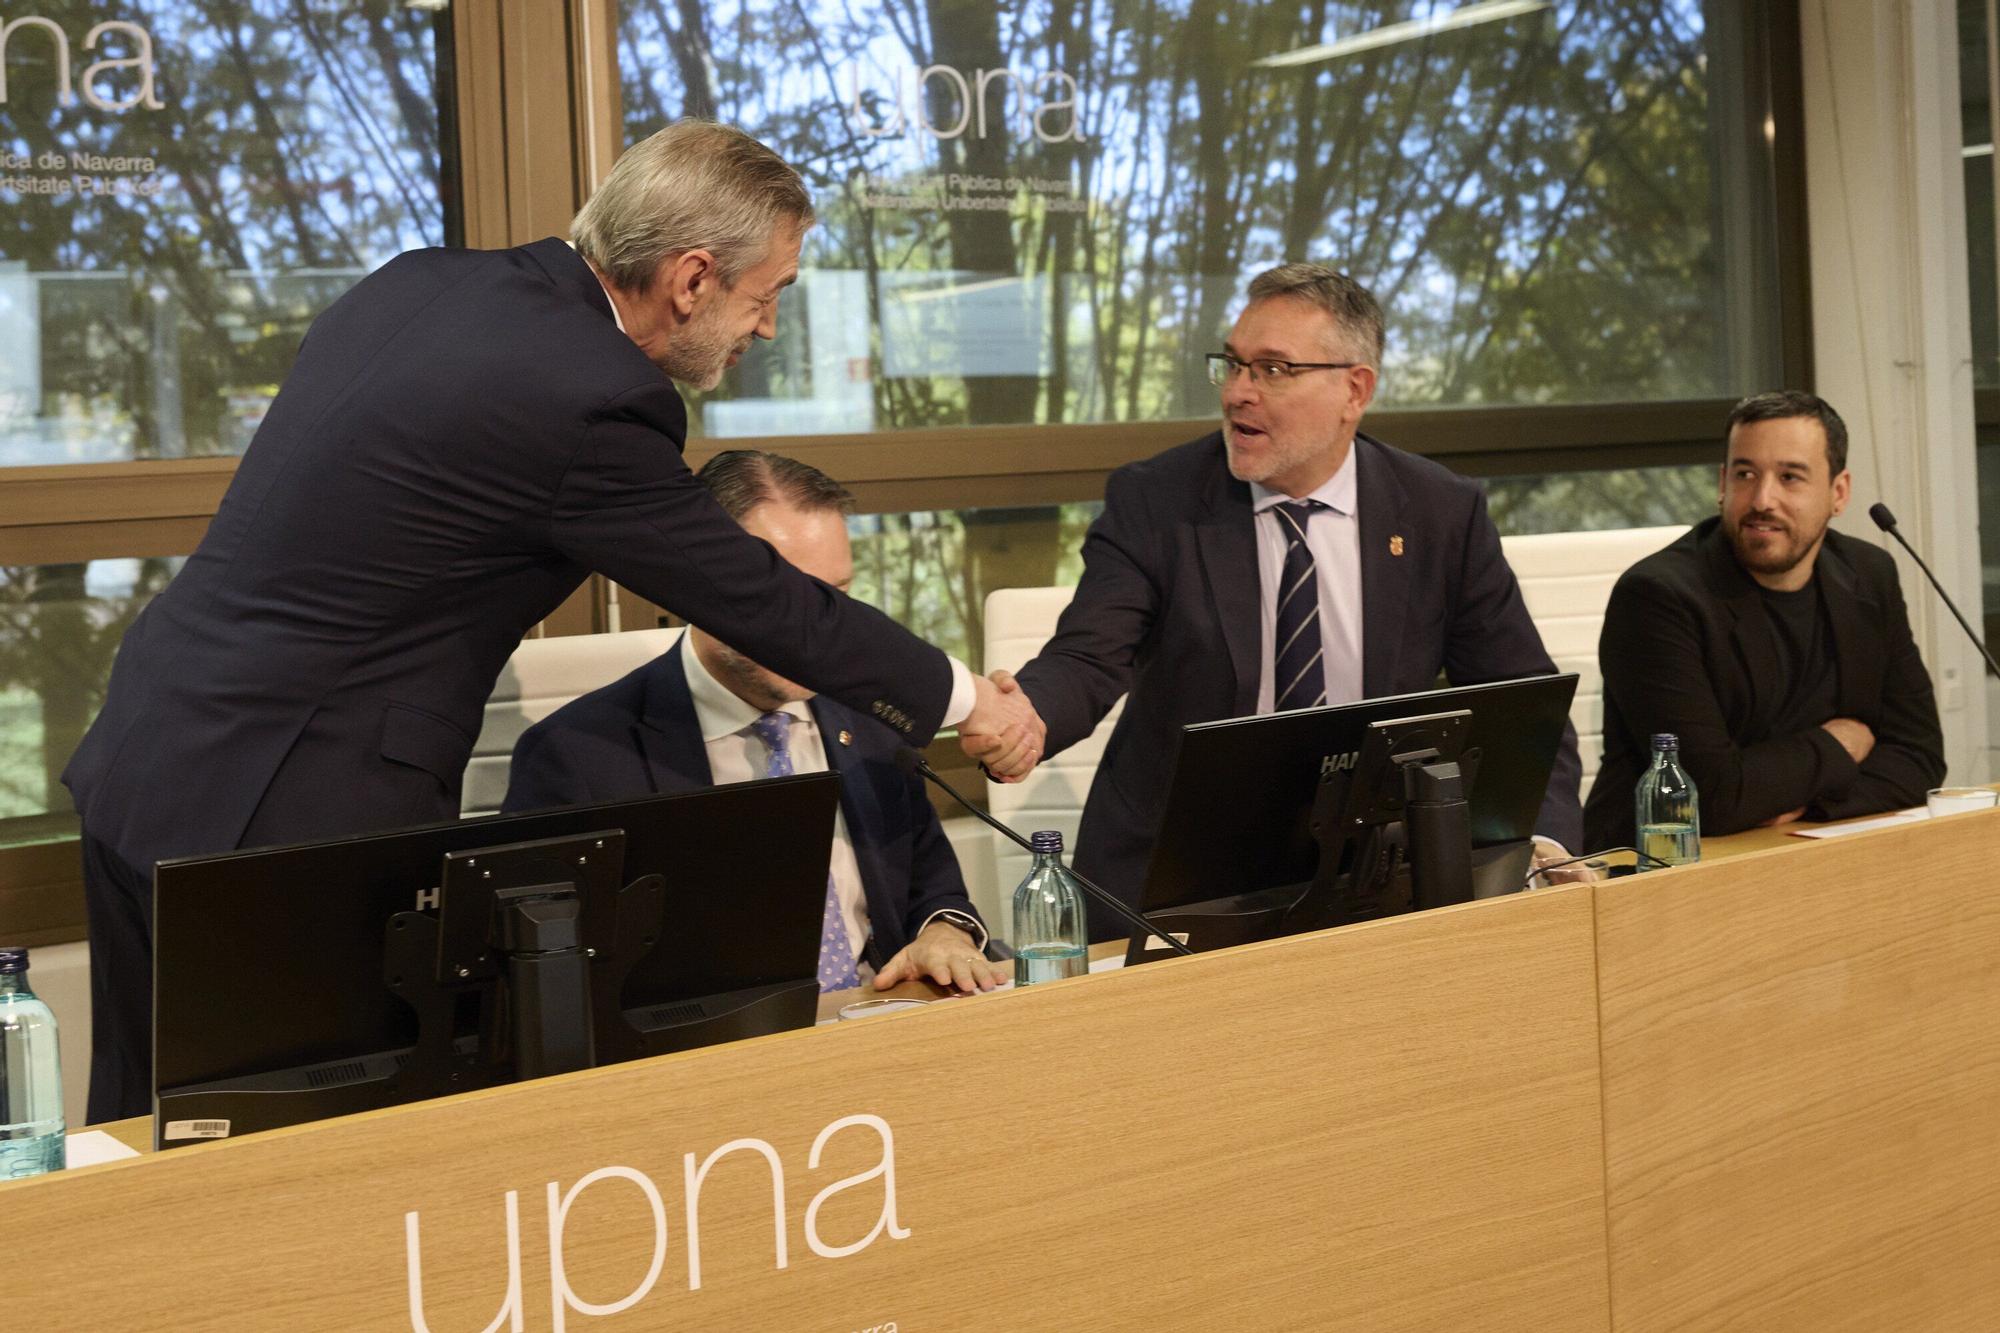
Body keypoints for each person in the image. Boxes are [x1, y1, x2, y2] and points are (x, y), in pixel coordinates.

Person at [61, 121, 1040, 1120]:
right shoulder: (590, 398)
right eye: (770, 292)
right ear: (692, 279)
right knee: (301, 1170)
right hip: (284, 813)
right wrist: (965, 698)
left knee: (142, 1148)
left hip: (152, 753)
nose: (771, 328)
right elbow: (758, 598)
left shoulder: (426, 282)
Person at [997, 263, 1582, 934]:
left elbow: (1526, 707)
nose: (1240, 393)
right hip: (1177, 878)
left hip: (1368, 873)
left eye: (1274, 370)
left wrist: (1547, 846)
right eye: (1236, 364)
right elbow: (1089, 655)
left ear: (1353, 390)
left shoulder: (1439, 513)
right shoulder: (1158, 500)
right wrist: (1028, 716)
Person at [503, 451, 1001, 994]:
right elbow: (549, 974)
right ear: (702, 581)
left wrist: (944, 936)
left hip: (876, 1017)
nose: (815, 632)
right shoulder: (577, 755)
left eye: (833, 602)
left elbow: (934, 889)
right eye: (790, 600)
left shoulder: (872, 718)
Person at [1585, 391, 1945, 849]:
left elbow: (1920, 757)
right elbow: (1708, 796)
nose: (1762, 499)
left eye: (1790, 477)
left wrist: (1806, 811)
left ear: (1839, 493)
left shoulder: (1868, 576)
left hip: (1807, 847)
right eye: (1745, 474)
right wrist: (1840, 746)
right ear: (1722, 483)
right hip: (1664, 870)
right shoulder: (1658, 597)